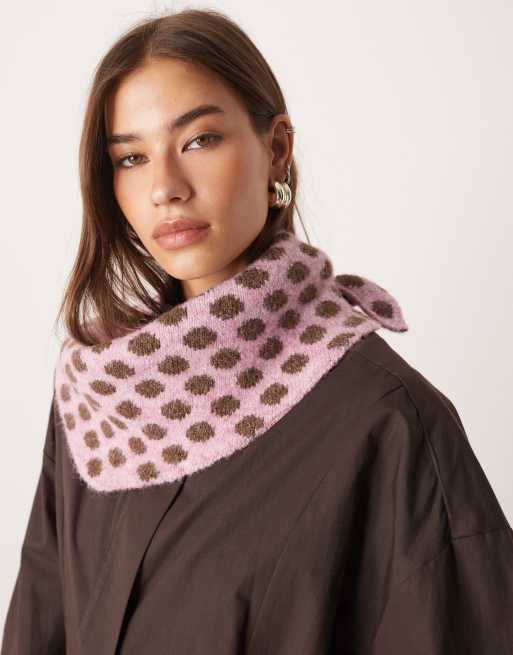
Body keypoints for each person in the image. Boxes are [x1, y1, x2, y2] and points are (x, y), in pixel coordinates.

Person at [2, 8, 513, 655]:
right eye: (131, 157)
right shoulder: (97, 399)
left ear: (276, 149)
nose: (165, 188)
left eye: (198, 141)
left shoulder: (387, 420)